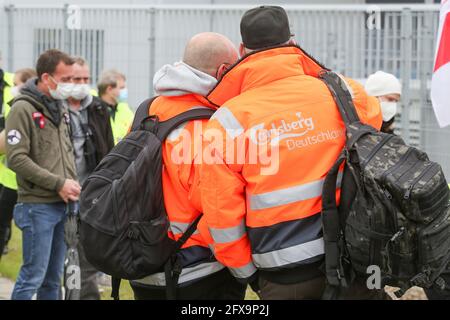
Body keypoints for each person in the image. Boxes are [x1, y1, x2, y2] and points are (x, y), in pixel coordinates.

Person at [199, 5, 382, 300]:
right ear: (293, 42)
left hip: (285, 275)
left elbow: (221, 213)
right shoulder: (344, 91)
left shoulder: (226, 121)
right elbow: (375, 122)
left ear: (242, 50)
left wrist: (249, 274)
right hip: (358, 260)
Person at [129, 32, 247, 300]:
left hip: (144, 259)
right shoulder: (210, 126)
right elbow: (217, 207)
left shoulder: (147, 111)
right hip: (197, 269)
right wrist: (244, 269)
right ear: (223, 70)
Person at [6, 49, 80, 300]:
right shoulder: (22, 108)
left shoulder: (61, 107)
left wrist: (72, 184)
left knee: (53, 279)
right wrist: (58, 183)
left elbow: (66, 152)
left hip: (64, 204)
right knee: (32, 276)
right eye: (66, 78)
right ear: (47, 78)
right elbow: (16, 158)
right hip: (37, 206)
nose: (71, 84)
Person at [64, 57, 114, 300]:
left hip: (90, 198)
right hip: (59, 195)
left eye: (85, 79)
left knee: (85, 260)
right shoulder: (55, 107)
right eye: (76, 79)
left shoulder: (98, 108)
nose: (82, 84)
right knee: (61, 260)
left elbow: (109, 151)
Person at [0, 68, 36, 259]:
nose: (13, 88)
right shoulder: (16, 105)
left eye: (16, 84)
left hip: (21, 180)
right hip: (10, 178)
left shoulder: (22, 107)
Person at [97, 70, 134, 145]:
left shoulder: (125, 109)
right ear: (109, 89)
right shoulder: (95, 110)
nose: (125, 91)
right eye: (121, 88)